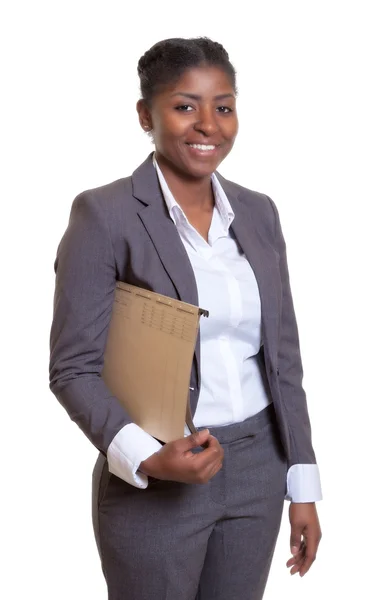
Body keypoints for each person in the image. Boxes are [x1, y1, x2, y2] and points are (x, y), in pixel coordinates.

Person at [49, 37, 322, 600]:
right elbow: (72, 368)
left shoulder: (258, 212)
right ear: (146, 115)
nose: (208, 125)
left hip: (257, 467)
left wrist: (302, 482)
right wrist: (147, 455)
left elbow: (283, 357)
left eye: (223, 106)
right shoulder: (104, 214)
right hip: (159, 472)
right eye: (184, 106)